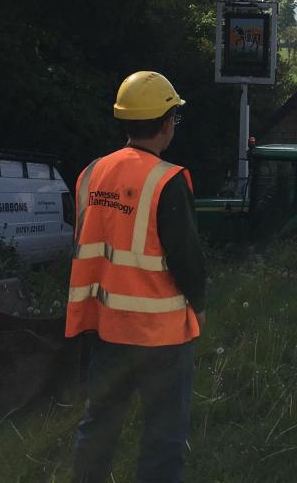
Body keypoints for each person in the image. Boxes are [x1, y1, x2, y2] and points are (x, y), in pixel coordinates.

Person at [66, 70, 208, 483]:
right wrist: (199, 305)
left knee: (98, 426)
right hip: (161, 337)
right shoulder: (167, 180)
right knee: (163, 437)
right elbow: (188, 260)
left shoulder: (92, 174)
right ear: (166, 124)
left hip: (106, 328)